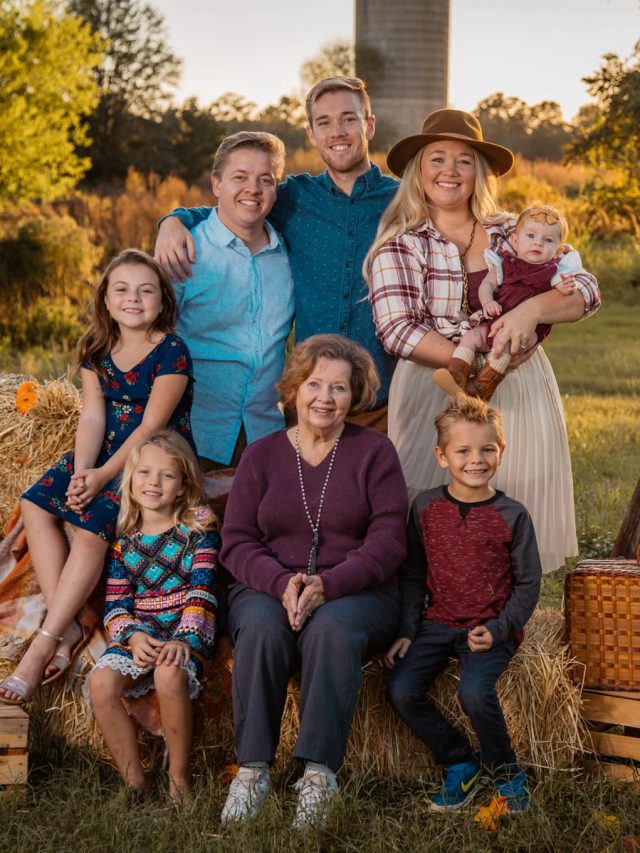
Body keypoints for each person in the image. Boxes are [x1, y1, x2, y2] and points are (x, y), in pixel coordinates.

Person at [366, 108, 600, 573]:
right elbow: (397, 329)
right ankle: (438, 615)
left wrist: (530, 310)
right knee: (430, 502)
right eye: (437, 159)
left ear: (479, 171)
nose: (450, 171)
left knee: (519, 488)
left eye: (464, 160)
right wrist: (472, 362)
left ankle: (504, 616)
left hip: (519, 381)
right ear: (418, 171)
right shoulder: (401, 244)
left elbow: (585, 289)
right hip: (438, 385)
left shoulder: (513, 231)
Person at [218, 334, 407, 828]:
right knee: (260, 629)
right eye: (315, 384)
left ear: (356, 395)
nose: (325, 397)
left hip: (358, 591)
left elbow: (388, 542)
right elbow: (236, 542)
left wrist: (331, 584)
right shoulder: (260, 456)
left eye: (340, 388)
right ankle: (253, 771)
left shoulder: (376, 452)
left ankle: (319, 776)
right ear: (294, 389)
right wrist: (281, 583)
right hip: (266, 586)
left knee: (333, 629)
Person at [0, 249, 195, 705]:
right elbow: (92, 415)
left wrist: (104, 476)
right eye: (122, 289)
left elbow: (151, 426)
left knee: (91, 529)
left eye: (146, 290)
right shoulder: (96, 347)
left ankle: (45, 643)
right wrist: (83, 471)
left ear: (162, 301)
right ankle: (68, 626)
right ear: (105, 301)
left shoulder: (171, 351)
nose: (134, 299)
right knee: (35, 504)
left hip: (152, 457)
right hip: (103, 451)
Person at [154, 77, 399, 432]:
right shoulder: (294, 198)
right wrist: (174, 220)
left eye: (349, 119)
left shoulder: (403, 199)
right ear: (312, 134)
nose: (338, 132)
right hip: (309, 402)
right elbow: (237, 204)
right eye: (324, 123)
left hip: (383, 400)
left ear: (369, 125)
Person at [385, 397, 541, 819]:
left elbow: (529, 584)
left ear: (501, 452)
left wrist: (500, 627)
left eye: (487, 449)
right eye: (464, 451)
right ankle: (459, 761)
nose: (477, 459)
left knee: (473, 692)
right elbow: (414, 576)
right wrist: (407, 630)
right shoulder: (425, 509)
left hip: (489, 627)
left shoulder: (513, 515)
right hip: (438, 623)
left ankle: (507, 772)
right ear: (442, 456)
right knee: (401, 690)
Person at [90, 430, 219, 801]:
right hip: (142, 631)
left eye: (166, 475)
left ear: (182, 486)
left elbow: (202, 589)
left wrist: (183, 638)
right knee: (101, 684)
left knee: (167, 673)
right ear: (130, 481)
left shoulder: (198, 527)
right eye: (144, 473)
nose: (153, 483)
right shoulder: (124, 541)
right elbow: (115, 605)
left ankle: (179, 780)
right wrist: (131, 636)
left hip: (188, 628)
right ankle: (135, 783)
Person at [172, 131, 295, 469]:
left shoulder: (287, 255)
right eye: (239, 177)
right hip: (193, 436)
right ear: (217, 184)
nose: (252, 189)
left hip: (266, 436)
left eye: (265, 180)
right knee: (200, 523)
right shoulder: (184, 252)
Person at [432, 204, 583, 400]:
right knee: (471, 337)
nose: (538, 243)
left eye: (547, 240)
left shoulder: (552, 271)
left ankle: (482, 385)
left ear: (557, 251)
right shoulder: (504, 263)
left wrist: (567, 287)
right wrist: (487, 303)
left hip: (524, 331)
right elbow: (487, 284)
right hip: (496, 319)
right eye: (530, 236)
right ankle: (457, 375)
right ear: (514, 240)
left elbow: (561, 289)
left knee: (502, 351)